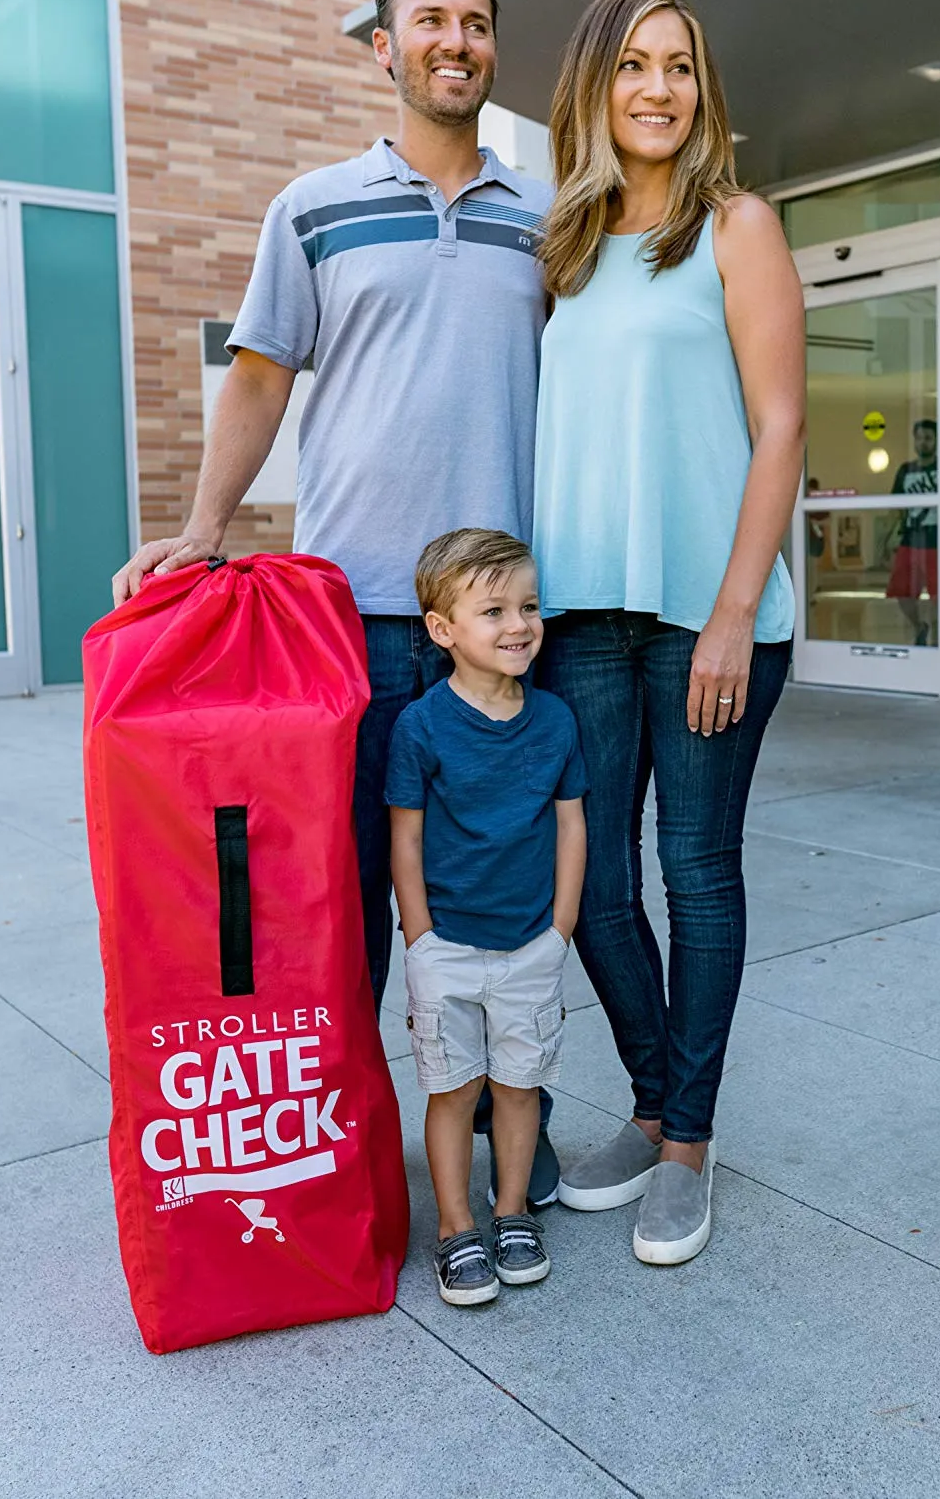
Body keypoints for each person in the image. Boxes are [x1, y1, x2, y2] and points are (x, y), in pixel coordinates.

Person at [108, 0, 563, 1201]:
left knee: (502, 886)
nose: (454, 42)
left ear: (491, 47)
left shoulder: (545, 215)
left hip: (504, 625)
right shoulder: (311, 207)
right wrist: (204, 529)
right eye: (429, 21)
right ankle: (344, 1146)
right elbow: (259, 377)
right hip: (350, 623)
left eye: (473, 22)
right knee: (347, 903)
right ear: (385, 45)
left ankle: (498, 1130)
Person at [527, 0, 805, 1265]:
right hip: (580, 613)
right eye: (634, 66)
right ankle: (654, 1099)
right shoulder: (564, 247)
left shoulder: (735, 225)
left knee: (696, 869)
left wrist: (732, 613)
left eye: (680, 67)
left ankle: (687, 1141)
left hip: (710, 612)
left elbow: (782, 425)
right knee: (589, 886)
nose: (659, 89)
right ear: (594, 85)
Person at [385, 530, 586, 1304]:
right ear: (443, 630)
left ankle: (510, 1215)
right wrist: (421, 937)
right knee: (451, 1092)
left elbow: (572, 825)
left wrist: (560, 929)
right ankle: (455, 1228)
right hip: (448, 950)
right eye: (493, 609)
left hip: (531, 945)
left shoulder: (557, 721)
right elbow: (405, 838)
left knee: (518, 1089)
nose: (518, 625)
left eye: (529, 606)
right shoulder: (421, 727)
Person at [888, 419, 939, 644]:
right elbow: (895, 506)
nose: (923, 443)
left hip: (938, 540)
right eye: (919, 438)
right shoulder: (905, 470)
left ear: (936, 440)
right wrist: (889, 537)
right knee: (902, 592)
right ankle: (920, 627)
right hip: (910, 539)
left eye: (928, 438)